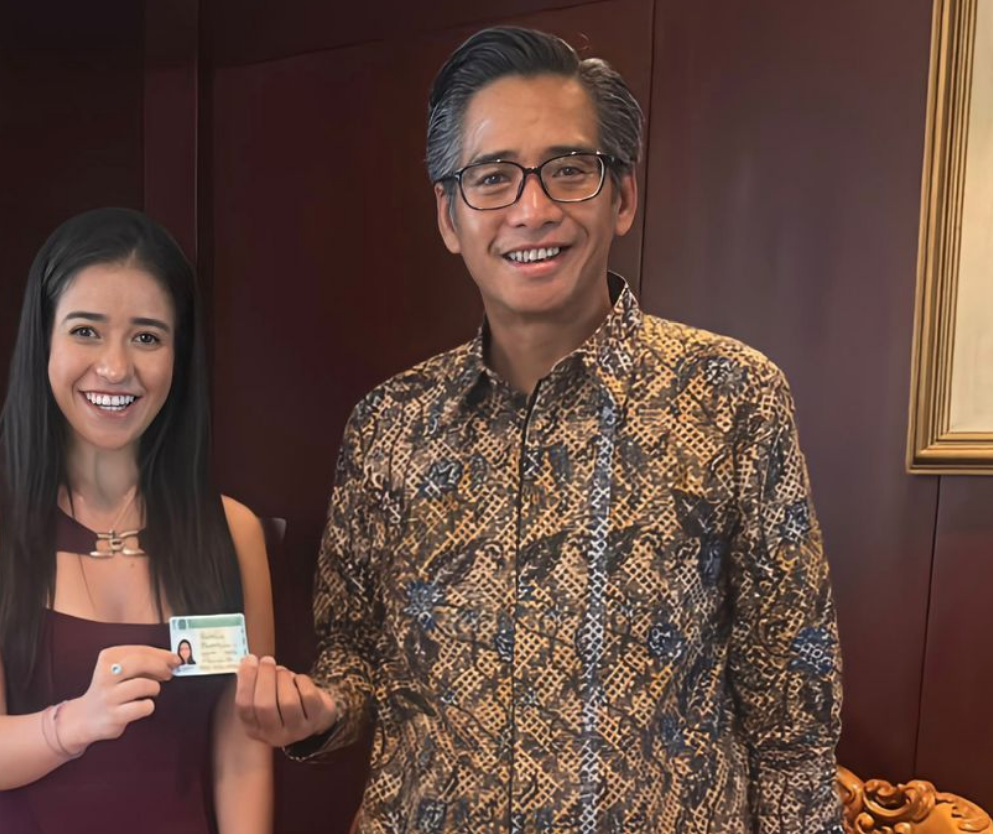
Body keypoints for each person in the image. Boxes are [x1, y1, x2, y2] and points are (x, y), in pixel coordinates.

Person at [234, 27, 842, 834]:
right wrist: (320, 712)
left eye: (568, 169)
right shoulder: (390, 424)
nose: (532, 209)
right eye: (492, 177)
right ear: (449, 217)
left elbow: (793, 709)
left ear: (622, 196)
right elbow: (358, 659)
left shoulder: (731, 398)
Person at [0, 208, 274, 834]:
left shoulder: (233, 531)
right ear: (44, 341)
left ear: (179, 355)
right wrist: (78, 722)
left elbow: (243, 753)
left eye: (147, 337)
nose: (115, 368)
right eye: (86, 331)